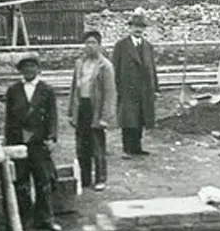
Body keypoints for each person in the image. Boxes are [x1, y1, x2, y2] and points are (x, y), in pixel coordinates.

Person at [5, 53, 62, 231]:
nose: (28, 70)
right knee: (21, 182)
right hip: (19, 142)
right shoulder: (13, 90)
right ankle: (23, 219)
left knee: (43, 181)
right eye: (24, 67)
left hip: (39, 142)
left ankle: (45, 218)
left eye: (32, 66)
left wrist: (52, 137)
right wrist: (9, 143)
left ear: (38, 69)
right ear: (20, 71)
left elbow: (53, 116)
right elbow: (9, 119)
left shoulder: (47, 90)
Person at [68, 31, 116, 192]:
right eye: (87, 43)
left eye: (93, 43)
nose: (89, 46)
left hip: (96, 109)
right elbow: (74, 88)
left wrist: (105, 118)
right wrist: (71, 112)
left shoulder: (105, 66)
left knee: (97, 146)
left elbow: (110, 94)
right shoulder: (80, 64)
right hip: (82, 107)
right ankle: (85, 178)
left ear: (100, 45)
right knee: (82, 146)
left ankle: (101, 179)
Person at [112, 13, 159, 159]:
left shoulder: (148, 47)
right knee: (128, 120)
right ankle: (127, 148)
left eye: (141, 27)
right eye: (135, 26)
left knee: (140, 119)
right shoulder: (121, 46)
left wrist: (156, 88)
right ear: (130, 28)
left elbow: (153, 69)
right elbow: (115, 68)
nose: (138, 30)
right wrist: (117, 88)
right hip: (127, 89)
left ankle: (137, 147)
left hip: (144, 90)